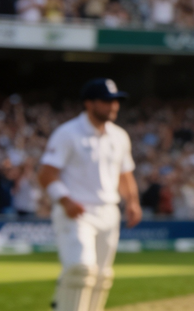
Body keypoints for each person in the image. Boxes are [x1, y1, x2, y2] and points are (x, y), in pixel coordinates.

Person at [38, 78, 142, 311]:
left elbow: (125, 175)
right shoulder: (68, 133)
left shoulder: (119, 136)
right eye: (106, 101)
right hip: (76, 211)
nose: (113, 106)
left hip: (108, 212)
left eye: (116, 101)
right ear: (89, 103)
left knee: (102, 276)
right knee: (81, 269)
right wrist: (65, 201)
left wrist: (133, 202)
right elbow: (46, 174)